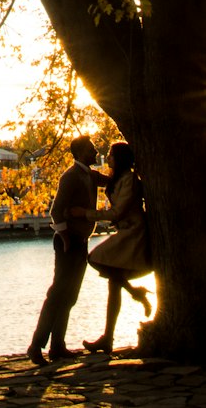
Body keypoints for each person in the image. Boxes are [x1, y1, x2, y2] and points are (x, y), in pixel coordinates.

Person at [26, 133, 105, 366]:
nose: (96, 152)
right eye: (92, 149)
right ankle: (36, 346)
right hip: (67, 242)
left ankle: (57, 346)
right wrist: (64, 235)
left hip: (81, 241)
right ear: (80, 152)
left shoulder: (89, 175)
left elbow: (108, 181)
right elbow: (56, 211)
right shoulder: (70, 177)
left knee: (70, 296)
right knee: (57, 294)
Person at [81, 140, 153, 353]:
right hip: (125, 232)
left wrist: (85, 213)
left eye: (111, 154)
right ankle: (109, 336)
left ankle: (109, 334)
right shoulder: (118, 178)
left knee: (95, 258)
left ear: (120, 158)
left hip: (133, 232)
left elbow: (118, 212)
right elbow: (101, 181)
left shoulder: (129, 180)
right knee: (113, 282)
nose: (108, 157)